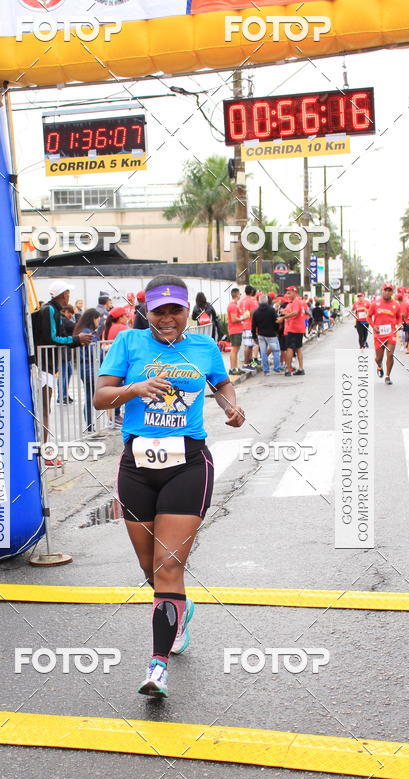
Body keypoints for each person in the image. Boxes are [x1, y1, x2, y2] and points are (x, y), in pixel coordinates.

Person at [94, 274, 245, 698]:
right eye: (158, 311)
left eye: (175, 310)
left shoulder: (204, 347)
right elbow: (100, 397)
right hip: (137, 466)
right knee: (151, 570)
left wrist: (231, 406)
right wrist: (135, 388)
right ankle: (180, 606)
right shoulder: (128, 342)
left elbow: (221, 383)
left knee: (168, 566)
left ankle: (157, 666)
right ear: (146, 311)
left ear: (187, 312)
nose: (167, 318)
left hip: (188, 464)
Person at [32, 280, 91, 464]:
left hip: (48, 366)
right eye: (67, 293)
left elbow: (59, 336)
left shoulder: (53, 310)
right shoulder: (49, 310)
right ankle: (45, 454)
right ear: (63, 294)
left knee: (45, 410)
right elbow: (52, 338)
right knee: (44, 410)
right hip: (44, 367)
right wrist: (76, 339)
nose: (69, 296)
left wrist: (75, 339)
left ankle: (44, 452)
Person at [368, 283, 402, 385]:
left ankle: (387, 376)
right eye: (385, 290)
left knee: (390, 355)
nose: (387, 292)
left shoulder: (396, 305)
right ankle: (379, 365)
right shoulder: (375, 304)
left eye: (389, 290)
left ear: (392, 292)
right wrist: (373, 326)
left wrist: (399, 324)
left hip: (391, 333)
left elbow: (399, 317)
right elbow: (368, 317)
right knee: (378, 358)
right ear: (382, 291)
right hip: (379, 334)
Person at [73, 308, 101, 433]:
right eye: (97, 319)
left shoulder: (82, 330)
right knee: (90, 398)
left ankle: (90, 425)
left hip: (85, 367)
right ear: (92, 319)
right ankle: (90, 426)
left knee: (89, 397)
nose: (98, 322)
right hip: (90, 367)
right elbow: (93, 352)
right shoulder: (87, 333)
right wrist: (104, 351)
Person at [278, 285, 308, 376]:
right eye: (287, 293)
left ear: (295, 293)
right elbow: (294, 312)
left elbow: (295, 312)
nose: (287, 295)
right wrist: (285, 313)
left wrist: (283, 318)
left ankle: (288, 369)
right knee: (298, 348)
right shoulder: (298, 302)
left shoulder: (296, 301)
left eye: (289, 293)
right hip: (299, 328)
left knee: (289, 348)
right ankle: (301, 369)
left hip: (293, 328)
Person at [252, 293, 281, 374]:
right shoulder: (272, 310)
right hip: (271, 334)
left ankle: (266, 371)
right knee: (275, 351)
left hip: (261, 335)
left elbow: (253, 326)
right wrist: (276, 331)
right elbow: (276, 321)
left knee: (263, 353)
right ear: (267, 301)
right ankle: (276, 369)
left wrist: (254, 336)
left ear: (259, 302)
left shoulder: (256, 312)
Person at [238, 285, 259, 369]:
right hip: (250, 325)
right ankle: (246, 364)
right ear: (252, 292)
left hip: (242, 325)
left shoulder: (241, 301)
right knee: (249, 345)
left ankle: (249, 363)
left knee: (248, 345)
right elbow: (254, 314)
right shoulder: (251, 301)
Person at [227, 287, 246, 375]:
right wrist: (243, 317)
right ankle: (232, 368)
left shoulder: (234, 305)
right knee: (234, 349)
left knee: (236, 349)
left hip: (236, 330)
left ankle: (235, 368)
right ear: (237, 294)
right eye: (240, 294)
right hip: (235, 330)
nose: (240, 296)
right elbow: (234, 319)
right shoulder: (233, 306)